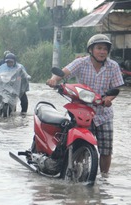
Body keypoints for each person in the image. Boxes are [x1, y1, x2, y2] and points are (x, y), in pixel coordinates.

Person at [46, 34, 124, 178]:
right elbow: (64, 72)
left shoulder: (113, 66)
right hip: (81, 110)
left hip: (103, 113)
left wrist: (109, 99)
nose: (102, 52)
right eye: (99, 48)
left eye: (105, 49)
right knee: (78, 143)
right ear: (91, 50)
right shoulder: (81, 63)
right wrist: (53, 79)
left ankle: (105, 179)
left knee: (106, 150)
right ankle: (73, 170)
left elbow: (117, 88)